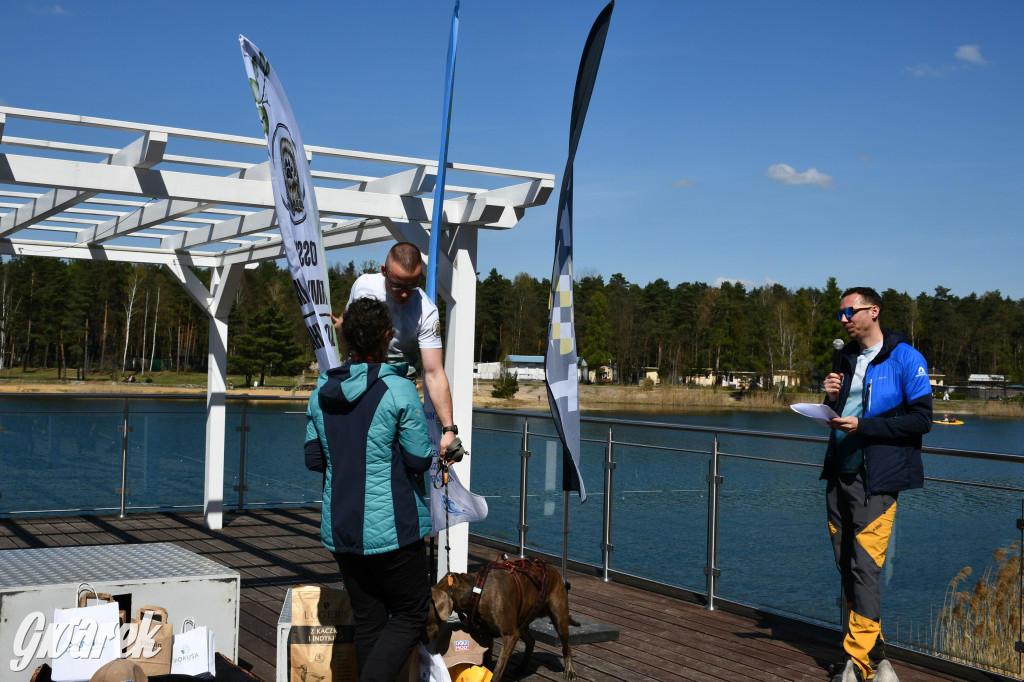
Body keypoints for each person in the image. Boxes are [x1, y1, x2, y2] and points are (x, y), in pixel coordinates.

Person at [305, 297, 442, 681]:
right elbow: (418, 460)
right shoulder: (398, 389)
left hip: (342, 526)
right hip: (392, 528)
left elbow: (314, 459)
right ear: (387, 337)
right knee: (413, 613)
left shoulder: (321, 392)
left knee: (369, 620)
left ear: (346, 337)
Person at [822, 287, 932, 682]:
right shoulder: (846, 357)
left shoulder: (905, 358)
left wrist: (864, 426)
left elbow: (921, 420)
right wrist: (829, 399)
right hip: (840, 472)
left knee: (865, 568)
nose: (845, 319)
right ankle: (877, 652)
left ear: (874, 311)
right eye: (841, 314)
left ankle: (857, 663)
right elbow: (844, 412)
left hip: (878, 479)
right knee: (846, 566)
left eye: (850, 312)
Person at [338, 242, 459, 453]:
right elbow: (347, 330)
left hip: (400, 386)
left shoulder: (426, 311)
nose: (404, 295)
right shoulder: (363, 286)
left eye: (412, 287)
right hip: (361, 375)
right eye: (397, 286)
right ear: (384, 272)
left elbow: (434, 372)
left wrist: (449, 429)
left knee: (407, 457)